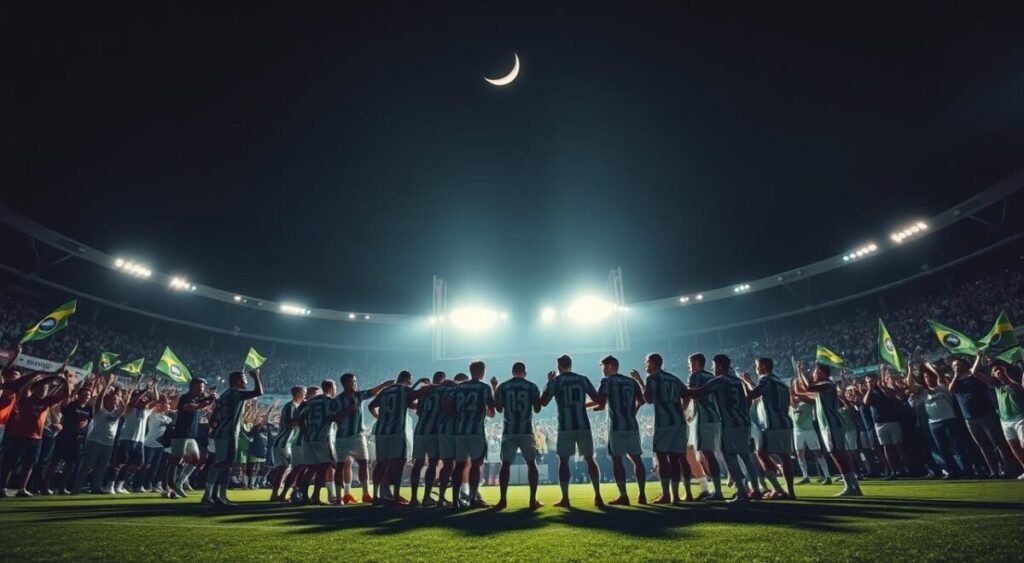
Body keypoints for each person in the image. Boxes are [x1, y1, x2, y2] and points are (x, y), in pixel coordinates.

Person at [688, 355, 762, 503]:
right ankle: (756, 490)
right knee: (747, 458)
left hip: (730, 424)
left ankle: (742, 492)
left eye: (714, 366)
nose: (712, 369)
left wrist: (681, 389)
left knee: (730, 457)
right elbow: (748, 400)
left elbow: (699, 392)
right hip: (744, 422)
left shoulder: (721, 380)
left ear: (720, 366)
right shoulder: (737, 381)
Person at [539, 354, 604, 508]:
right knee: (589, 458)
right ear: (571, 364)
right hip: (583, 425)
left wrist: (548, 383)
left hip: (565, 427)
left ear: (558, 366)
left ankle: (566, 499)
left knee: (563, 460)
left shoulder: (556, 381)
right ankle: (598, 496)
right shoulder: (583, 379)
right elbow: (599, 399)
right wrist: (583, 405)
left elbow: (543, 402)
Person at [0, 367, 70, 497]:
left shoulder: (47, 401)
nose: (45, 390)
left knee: (30, 463)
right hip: (19, 434)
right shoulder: (26, 398)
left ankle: (22, 489)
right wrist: (35, 376)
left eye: (47, 389)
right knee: (10, 462)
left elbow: (66, 395)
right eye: (43, 387)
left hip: (36, 437)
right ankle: (2, 487)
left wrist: (65, 380)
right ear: (35, 388)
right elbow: (24, 388)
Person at [796, 363, 863, 496]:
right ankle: (853, 486)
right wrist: (799, 373)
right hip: (829, 425)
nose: (813, 374)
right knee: (838, 454)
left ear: (822, 372)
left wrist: (801, 372)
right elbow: (803, 390)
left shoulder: (827, 384)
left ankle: (850, 486)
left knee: (838, 454)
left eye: (815, 371)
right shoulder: (823, 388)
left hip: (831, 425)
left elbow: (808, 386)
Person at [949, 355, 1019, 478]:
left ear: (965, 365)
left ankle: (1009, 469)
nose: (956, 367)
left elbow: (976, 372)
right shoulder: (956, 381)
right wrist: (955, 376)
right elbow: (951, 390)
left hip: (986, 414)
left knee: (998, 443)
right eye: (954, 366)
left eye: (958, 364)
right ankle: (994, 471)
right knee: (983, 445)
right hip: (970, 418)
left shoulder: (974, 376)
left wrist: (978, 357)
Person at [368, 371, 429, 504]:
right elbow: (416, 400)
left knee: (381, 463)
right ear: (407, 380)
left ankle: (376, 495)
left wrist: (380, 418)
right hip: (396, 432)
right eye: (411, 381)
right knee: (398, 463)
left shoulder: (386, 391)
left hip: (382, 432)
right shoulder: (405, 390)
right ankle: (395, 495)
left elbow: (371, 406)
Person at [204, 368, 263, 505]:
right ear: (238, 381)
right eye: (244, 379)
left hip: (224, 433)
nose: (246, 381)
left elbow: (213, 418)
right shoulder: (234, 394)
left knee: (222, 464)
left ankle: (214, 495)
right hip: (228, 434)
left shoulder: (226, 395)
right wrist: (256, 377)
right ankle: (216, 495)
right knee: (223, 464)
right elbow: (259, 392)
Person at [594, 355, 647, 506]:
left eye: (603, 367)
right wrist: (633, 413)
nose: (602, 370)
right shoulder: (631, 382)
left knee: (617, 460)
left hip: (616, 426)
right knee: (637, 460)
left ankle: (623, 495)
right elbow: (641, 401)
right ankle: (642, 494)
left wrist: (589, 407)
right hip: (632, 425)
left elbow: (601, 402)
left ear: (610, 366)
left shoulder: (607, 381)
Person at [740, 358, 796, 499]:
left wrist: (746, 381)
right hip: (785, 422)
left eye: (757, 366)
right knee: (785, 457)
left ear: (764, 367)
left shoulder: (765, 380)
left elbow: (753, 395)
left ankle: (777, 489)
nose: (756, 369)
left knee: (761, 453)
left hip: (772, 423)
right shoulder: (780, 382)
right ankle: (790, 491)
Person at [333, 374, 391, 505]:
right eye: (352, 382)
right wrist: (347, 410)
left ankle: (366, 494)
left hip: (358, 436)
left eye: (355, 381)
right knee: (341, 466)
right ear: (345, 384)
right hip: (342, 437)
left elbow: (372, 392)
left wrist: (384, 385)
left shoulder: (359, 395)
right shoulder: (337, 400)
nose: (354, 384)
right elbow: (334, 418)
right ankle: (339, 497)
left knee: (364, 463)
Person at [491, 361, 542, 510]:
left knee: (505, 464)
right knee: (531, 464)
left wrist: (494, 388)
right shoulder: (532, 386)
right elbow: (537, 409)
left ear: (512, 372)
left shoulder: (504, 387)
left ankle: (502, 500)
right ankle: (532, 500)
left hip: (509, 430)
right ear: (524, 373)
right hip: (526, 430)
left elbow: (499, 409)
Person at [641, 353, 691, 504]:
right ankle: (682, 494)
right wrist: (682, 410)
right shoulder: (673, 378)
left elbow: (648, 399)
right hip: (679, 422)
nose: (646, 366)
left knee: (662, 458)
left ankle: (666, 495)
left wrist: (640, 382)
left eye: (648, 363)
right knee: (677, 457)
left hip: (664, 423)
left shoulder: (652, 378)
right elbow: (687, 394)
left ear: (655, 364)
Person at [446, 360, 496, 510]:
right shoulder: (485, 387)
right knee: (476, 465)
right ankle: (473, 498)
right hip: (476, 432)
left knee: (459, 465)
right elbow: (492, 412)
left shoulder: (459, 387)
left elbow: (447, 406)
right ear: (483, 372)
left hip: (460, 432)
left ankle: (455, 500)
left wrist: (459, 416)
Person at [907, 363, 967, 479]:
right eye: (925, 377)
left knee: (956, 447)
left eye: (929, 376)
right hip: (934, 424)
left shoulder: (942, 388)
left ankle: (965, 470)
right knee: (943, 449)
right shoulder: (924, 393)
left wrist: (928, 365)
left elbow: (938, 374)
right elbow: (909, 384)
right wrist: (909, 368)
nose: (928, 379)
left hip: (949, 420)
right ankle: (951, 471)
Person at [74, 376, 128, 495]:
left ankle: (96, 487)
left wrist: (120, 398)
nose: (115, 403)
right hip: (94, 441)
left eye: (116, 401)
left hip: (108, 443)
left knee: (101, 467)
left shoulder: (116, 414)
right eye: (112, 400)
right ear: (107, 401)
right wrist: (106, 386)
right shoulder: (99, 410)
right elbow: (99, 399)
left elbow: (123, 408)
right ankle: (77, 487)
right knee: (87, 466)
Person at [164, 378, 215, 499]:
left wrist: (208, 400)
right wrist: (207, 401)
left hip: (191, 435)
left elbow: (202, 405)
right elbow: (190, 407)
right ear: (193, 387)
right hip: (181, 434)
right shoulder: (185, 398)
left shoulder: (197, 399)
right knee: (175, 460)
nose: (202, 389)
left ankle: (179, 482)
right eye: (200, 387)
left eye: (203, 387)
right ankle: (171, 488)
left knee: (196, 459)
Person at [111, 378, 160, 494]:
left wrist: (155, 386)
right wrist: (144, 391)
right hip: (126, 439)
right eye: (142, 399)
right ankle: (110, 485)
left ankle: (120, 485)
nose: (145, 401)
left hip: (139, 441)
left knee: (137, 464)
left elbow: (156, 400)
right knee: (120, 463)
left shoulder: (146, 411)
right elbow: (133, 402)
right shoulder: (129, 409)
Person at [687, 353, 725, 500]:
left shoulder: (695, 376)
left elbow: (694, 395)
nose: (688, 366)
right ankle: (710, 488)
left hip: (705, 419)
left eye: (690, 362)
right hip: (715, 418)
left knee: (707, 455)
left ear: (696, 362)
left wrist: (685, 391)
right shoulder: (712, 377)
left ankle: (717, 491)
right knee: (705, 454)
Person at [977, 360, 1024, 478]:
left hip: (1020, 418)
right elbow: (975, 372)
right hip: (1005, 421)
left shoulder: (1013, 383)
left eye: (1000, 369)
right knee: (1014, 446)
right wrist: (979, 357)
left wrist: (1006, 376)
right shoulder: (996, 386)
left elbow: (1019, 388)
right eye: (995, 371)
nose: (998, 372)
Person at [296, 379, 339, 504]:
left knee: (311, 468)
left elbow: (300, 418)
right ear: (332, 388)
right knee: (323, 468)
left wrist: (305, 432)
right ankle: (316, 496)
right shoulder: (329, 401)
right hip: (322, 438)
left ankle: (304, 496)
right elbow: (331, 416)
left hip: (309, 438)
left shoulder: (311, 402)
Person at [409, 371, 447, 506]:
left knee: (417, 464)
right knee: (432, 463)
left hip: (419, 431)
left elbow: (413, 405)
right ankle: (426, 497)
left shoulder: (424, 392)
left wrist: (418, 382)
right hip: (433, 432)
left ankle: (413, 498)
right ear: (443, 380)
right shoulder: (443, 390)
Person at [47, 385, 94, 494]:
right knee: (55, 462)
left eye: (88, 395)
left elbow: (88, 419)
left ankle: (62, 488)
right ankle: (46, 486)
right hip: (64, 437)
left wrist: (83, 424)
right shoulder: (71, 405)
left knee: (70, 464)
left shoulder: (89, 408)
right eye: (84, 394)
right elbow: (66, 402)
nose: (86, 397)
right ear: (78, 395)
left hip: (77, 440)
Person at [863, 371, 907, 479]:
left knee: (899, 446)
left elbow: (891, 395)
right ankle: (893, 472)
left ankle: (907, 468)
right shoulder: (870, 393)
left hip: (892, 421)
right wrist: (870, 389)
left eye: (871, 381)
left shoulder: (884, 389)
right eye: (867, 382)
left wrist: (880, 386)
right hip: (879, 424)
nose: (870, 383)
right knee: (886, 448)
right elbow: (865, 402)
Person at [269, 386, 304, 501]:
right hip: (283, 442)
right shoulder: (290, 406)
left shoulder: (295, 406)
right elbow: (289, 423)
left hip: (287, 443)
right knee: (283, 468)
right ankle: (275, 494)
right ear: (298, 393)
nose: (305, 395)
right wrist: (302, 421)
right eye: (304, 392)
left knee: (286, 468)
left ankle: (277, 494)